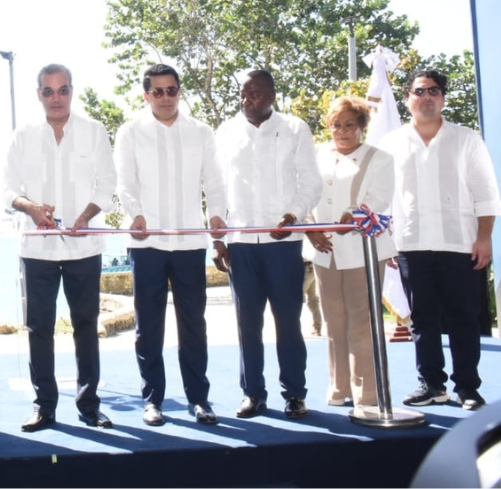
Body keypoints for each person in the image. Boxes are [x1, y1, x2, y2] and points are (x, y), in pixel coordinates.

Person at [4, 63, 118, 432]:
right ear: (38, 94)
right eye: (49, 91)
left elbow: (107, 184)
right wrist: (30, 207)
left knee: (86, 326)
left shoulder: (94, 131)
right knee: (39, 329)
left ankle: (89, 405)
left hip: (85, 247)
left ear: (72, 91)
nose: (56, 98)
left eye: (63, 90)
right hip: (37, 250)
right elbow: (8, 190)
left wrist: (86, 215)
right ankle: (44, 407)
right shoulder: (22, 136)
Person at [379, 70, 501, 411]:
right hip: (411, 244)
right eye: (420, 91)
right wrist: (388, 242)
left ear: (443, 97)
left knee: (464, 319)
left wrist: (484, 238)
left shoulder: (467, 139)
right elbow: (384, 198)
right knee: (422, 320)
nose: (427, 97)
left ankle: (468, 388)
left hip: (460, 244)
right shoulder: (391, 144)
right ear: (407, 98)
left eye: (434, 91)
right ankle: (432, 384)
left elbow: (486, 194)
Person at [114, 63, 227, 426]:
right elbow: (125, 183)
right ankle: (153, 401)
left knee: (193, 324)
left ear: (180, 91)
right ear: (146, 95)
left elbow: (214, 181)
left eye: (172, 90)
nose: (166, 98)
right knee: (149, 327)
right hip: (146, 243)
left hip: (190, 242)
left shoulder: (201, 132)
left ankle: (199, 399)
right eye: (158, 91)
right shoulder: (130, 132)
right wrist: (135, 214)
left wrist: (216, 216)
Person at [213, 69, 322, 419]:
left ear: (272, 95)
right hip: (240, 243)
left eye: (255, 94)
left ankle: (295, 394)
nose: (247, 100)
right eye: (243, 94)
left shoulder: (295, 128)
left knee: (288, 322)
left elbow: (311, 182)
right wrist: (218, 241)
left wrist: (293, 215)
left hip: (283, 243)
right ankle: (252, 394)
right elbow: (216, 189)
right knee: (248, 325)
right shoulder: (226, 132)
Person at [304, 95, 395, 408]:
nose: (342, 131)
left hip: (363, 250)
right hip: (324, 251)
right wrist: (311, 230)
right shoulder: (316, 155)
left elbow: (381, 199)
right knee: (333, 321)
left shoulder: (380, 158)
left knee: (362, 320)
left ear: (362, 126)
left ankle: (367, 392)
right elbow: (305, 195)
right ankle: (338, 387)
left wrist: (355, 214)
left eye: (349, 125)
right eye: (336, 125)